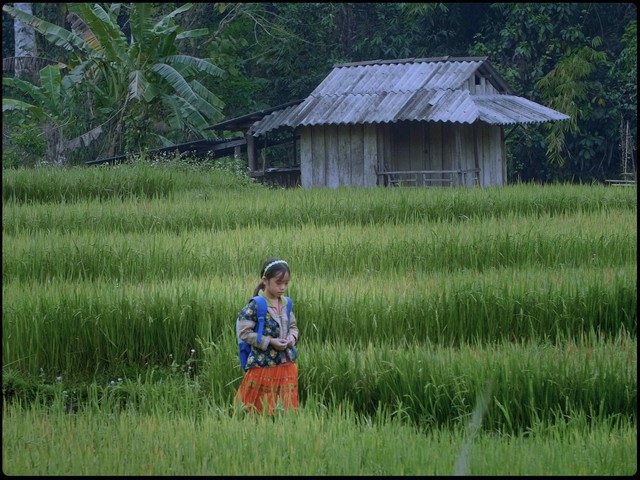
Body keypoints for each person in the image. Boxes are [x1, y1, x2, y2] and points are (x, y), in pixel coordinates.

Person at [235, 257, 299, 414]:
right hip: (263, 365)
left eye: (286, 283)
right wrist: (270, 341)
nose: (283, 287)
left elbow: (293, 326)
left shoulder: (286, 303)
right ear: (265, 280)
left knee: (284, 409)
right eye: (278, 283)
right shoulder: (256, 305)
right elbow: (244, 333)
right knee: (257, 409)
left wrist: (292, 338)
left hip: (285, 363)